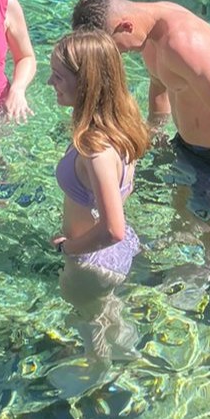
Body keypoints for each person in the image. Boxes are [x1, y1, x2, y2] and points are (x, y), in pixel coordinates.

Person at [71, 0, 210, 223]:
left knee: (200, 226)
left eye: (115, 48)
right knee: (179, 211)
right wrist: (155, 128)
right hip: (188, 147)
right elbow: (159, 83)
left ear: (125, 26)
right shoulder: (151, 32)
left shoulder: (185, 44)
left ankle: (208, 257)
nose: (117, 55)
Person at [47, 30, 149, 385]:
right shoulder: (122, 124)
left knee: (90, 321)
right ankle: (130, 356)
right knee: (107, 312)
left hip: (90, 263)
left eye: (58, 76)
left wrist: (69, 247)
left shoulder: (95, 148)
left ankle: (97, 373)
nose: (49, 82)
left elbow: (111, 229)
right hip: (116, 255)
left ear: (85, 83)